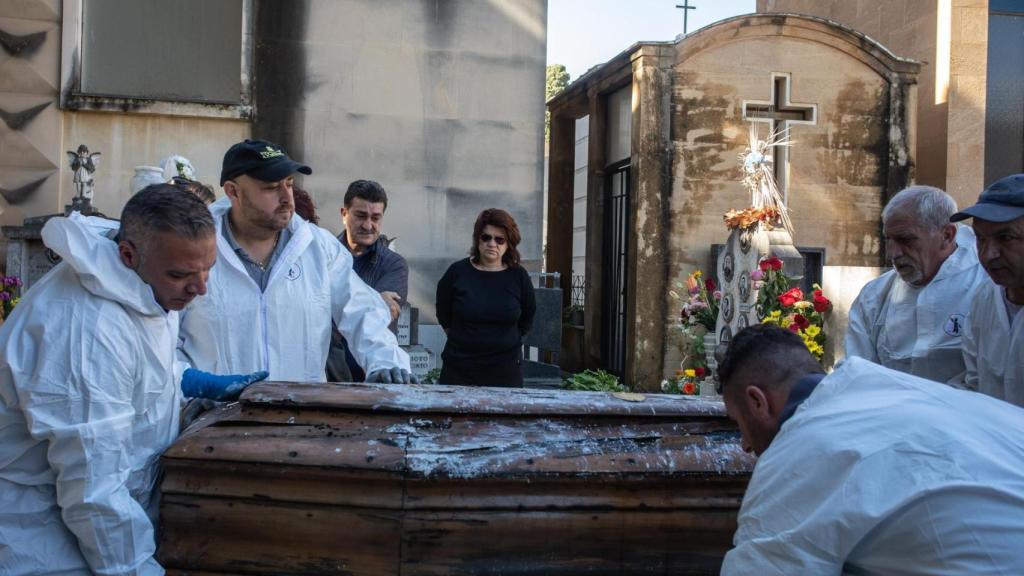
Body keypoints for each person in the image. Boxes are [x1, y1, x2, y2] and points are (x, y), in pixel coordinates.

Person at [0, 186, 266, 575]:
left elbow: (139, 371)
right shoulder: (85, 331)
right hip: (43, 539)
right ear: (127, 254)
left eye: (207, 269)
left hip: (97, 525)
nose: (200, 288)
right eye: (181, 275)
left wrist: (187, 379)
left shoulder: (146, 281)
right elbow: (93, 492)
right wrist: (137, 567)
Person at [717, 324, 1024, 574]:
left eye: (739, 423)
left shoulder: (799, 451)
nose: (744, 444)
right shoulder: (894, 388)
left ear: (758, 402)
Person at [177, 139, 415, 384]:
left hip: (299, 415)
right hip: (217, 418)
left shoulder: (318, 248)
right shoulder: (189, 249)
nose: (286, 197)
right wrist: (193, 389)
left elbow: (361, 312)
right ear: (233, 191)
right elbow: (163, 339)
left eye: (289, 184)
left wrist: (387, 363)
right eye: (270, 187)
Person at [845, 185, 987, 384]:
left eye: (906, 240)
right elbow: (856, 372)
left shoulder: (987, 286)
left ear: (947, 235)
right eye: (888, 240)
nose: (893, 253)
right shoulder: (874, 296)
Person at [436, 208, 536, 387]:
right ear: (477, 239)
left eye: (500, 239)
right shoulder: (457, 272)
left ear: (508, 245)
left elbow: (528, 316)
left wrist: (507, 341)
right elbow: (443, 312)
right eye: (486, 237)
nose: (492, 243)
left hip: (506, 372)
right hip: (459, 371)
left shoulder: (519, 276)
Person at [952, 173, 1024, 407]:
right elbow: (975, 383)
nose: (988, 254)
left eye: (1006, 237)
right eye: (980, 239)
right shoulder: (985, 299)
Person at [327, 180, 409, 382]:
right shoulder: (324, 256)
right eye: (361, 216)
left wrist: (329, 308)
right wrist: (376, 299)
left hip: (374, 371)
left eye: (375, 217)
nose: (368, 225)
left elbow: (385, 313)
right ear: (344, 214)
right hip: (327, 371)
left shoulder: (394, 264)